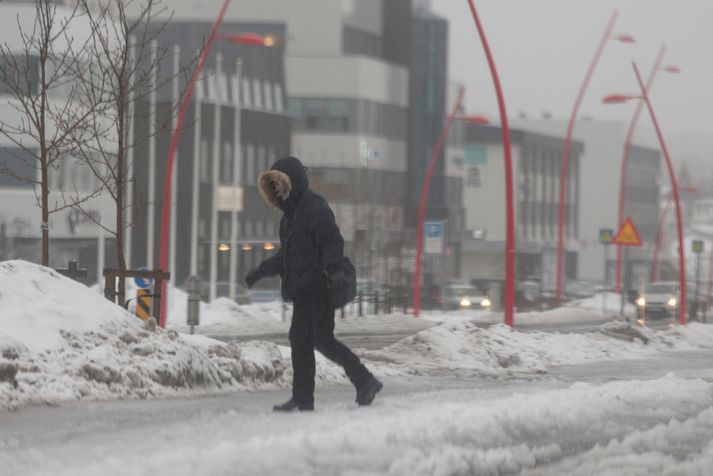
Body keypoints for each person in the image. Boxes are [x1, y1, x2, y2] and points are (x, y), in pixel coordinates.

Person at [245, 156, 382, 412]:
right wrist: (261, 271)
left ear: (291, 183)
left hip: (319, 288)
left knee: (321, 340)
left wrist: (335, 272)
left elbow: (332, 241)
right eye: (271, 187)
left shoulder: (314, 207)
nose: (276, 192)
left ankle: (364, 380)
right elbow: (285, 256)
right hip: (302, 291)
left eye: (279, 185)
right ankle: (304, 398)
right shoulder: (289, 219)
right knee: (302, 341)